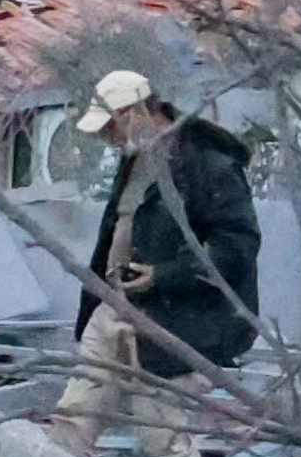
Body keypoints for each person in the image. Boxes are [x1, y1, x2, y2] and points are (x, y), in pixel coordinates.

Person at [79, 65, 261, 379]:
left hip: (181, 328)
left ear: (135, 112)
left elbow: (236, 248)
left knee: (160, 422)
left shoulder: (210, 164)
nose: (108, 139)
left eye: (110, 128)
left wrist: (163, 276)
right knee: (76, 411)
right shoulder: (135, 161)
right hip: (115, 309)